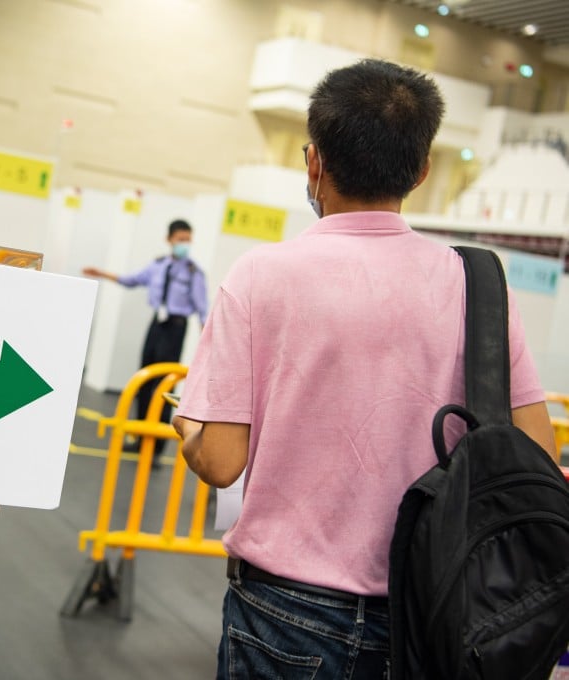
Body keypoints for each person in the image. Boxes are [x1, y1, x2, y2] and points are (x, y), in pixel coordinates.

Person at [172, 59, 557, 679]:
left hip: (283, 612)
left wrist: (184, 423)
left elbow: (219, 461)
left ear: (314, 162)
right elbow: (535, 449)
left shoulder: (262, 276)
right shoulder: (477, 285)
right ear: (423, 170)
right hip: (438, 616)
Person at [83, 219, 208, 465]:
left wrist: (208, 346)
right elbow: (131, 280)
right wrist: (103, 274)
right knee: (144, 381)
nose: (185, 244)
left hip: (175, 327)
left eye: (188, 239)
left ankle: (156, 448)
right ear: (169, 239)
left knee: (163, 387)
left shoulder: (194, 273)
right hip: (156, 325)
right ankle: (140, 439)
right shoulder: (158, 265)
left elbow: (203, 311)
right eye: (181, 238)